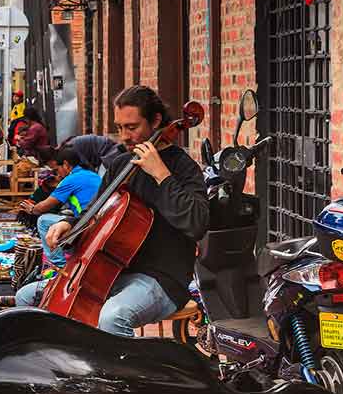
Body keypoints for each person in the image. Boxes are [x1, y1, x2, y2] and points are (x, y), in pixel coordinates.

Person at [32, 86, 209, 337]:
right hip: (111, 273)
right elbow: (95, 209)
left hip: (162, 279)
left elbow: (197, 223)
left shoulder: (183, 168)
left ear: (156, 121)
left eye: (132, 127)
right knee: (27, 299)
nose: (124, 136)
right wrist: (70, 223)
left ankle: (126, 375)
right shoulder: (121, 164)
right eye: (120, 128)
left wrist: (161, 175)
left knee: (113, 317)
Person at [18, 146, 101, 268]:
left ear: (66, 165)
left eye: (57, 170)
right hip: (98, 219)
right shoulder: (92, 174)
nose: (57, 174)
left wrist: (32, 209)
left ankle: (58, 265)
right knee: (65, 215)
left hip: (86, 224)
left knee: (43, 221)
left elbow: (44, 207)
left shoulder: (70, 179)